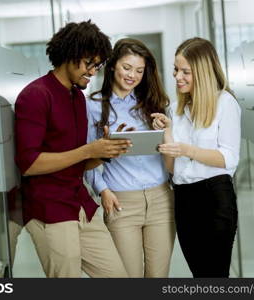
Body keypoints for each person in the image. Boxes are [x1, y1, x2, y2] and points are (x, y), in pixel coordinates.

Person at [14, 20, 132, 278]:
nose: (93, 71)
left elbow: (78, 160)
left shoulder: (77, 97)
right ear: (70, 55)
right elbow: (29, 164)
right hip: (49, 209)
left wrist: (105, 151)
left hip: (79, 203)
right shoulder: (35, 95)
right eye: (89, 63)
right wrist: (88, 151)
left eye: (98, 65)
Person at [85, 38, 175, 278]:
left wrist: (166, 129)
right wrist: (102, 189)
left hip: (161, 199)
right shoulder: (93, 106)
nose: (132, 75)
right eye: (127, 67)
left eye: (139, 70)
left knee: (159, 277)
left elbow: (171, 152)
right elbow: (88, 157)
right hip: (121, 201)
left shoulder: (153, 104)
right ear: (113, 65)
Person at [152, 37, 241, 277]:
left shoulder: (225, 103)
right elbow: (171, 169)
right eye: (176, 69)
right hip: (183, 199)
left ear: (201, 72)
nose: (177, 76)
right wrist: (167, 133)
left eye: (185, 71)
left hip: (215, 197)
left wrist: (186, 149)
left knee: (215, 275)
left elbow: (228, 158)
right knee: (199, 275)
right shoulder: (175, 111)